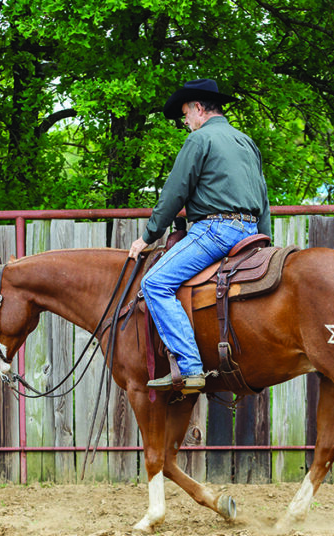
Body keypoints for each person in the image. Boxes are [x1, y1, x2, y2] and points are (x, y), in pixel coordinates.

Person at [128, 78, 271, 393]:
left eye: (185, 114)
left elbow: (174, 192)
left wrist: (148, 236)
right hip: (249, 233)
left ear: (198, 107)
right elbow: (263, 200)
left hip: (216, 232)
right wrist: (264, 241)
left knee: (155, 283)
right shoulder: (247, 142)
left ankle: (190, 368)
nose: (184, 121)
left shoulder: (199, 140)